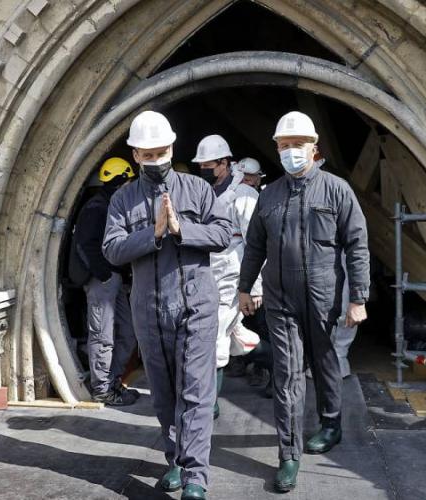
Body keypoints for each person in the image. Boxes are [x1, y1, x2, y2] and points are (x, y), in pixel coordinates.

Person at [103, 111, 232, 500]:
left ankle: (196, 477)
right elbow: (111, 249)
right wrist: (153, 233)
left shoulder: (197, 189)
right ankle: (175, 459)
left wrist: (181, 229)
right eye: (146, 154)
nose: (155, 160)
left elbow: (223, 232)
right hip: (149, 308)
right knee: (164, 395)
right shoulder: (122, 199)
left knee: (195, 391)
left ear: (172, 148)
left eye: (161, 152)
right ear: (135, 155)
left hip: (196, 304)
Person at [238, 111, 370, 493]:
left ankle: (331, 423)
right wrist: (245, 288)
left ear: (314, 148)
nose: (291, 151)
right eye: (284, 145)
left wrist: (358, 298)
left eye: (298, 145)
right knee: (288, 372)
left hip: (323, 295)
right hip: (280, 299)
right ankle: (288, 455)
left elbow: (357, 246)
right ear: (276, 149)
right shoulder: (271, 195)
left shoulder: (336, 190)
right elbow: (254, 246)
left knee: (325, 361)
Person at [192, 135, 264, 419]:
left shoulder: (244, 195)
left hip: (234, 276)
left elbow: (257, 244)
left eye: (208, 164)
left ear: (224, 163)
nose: (203, 169)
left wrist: (254, 287)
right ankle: (278, 362)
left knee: (216, 338)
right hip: (209, 275)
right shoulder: (207, 192)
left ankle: (210, 405)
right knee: (237, 338)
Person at [71, 157, 139, 405]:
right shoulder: (96, 208)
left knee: (129, 333)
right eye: (128, 181)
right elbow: (85, 245)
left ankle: (113, 381)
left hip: (114, 280)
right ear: (120, 181)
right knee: (102, 335)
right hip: (103, 281)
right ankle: (102, 389)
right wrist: (105, 274)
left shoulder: (111, 205)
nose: (131, 186)